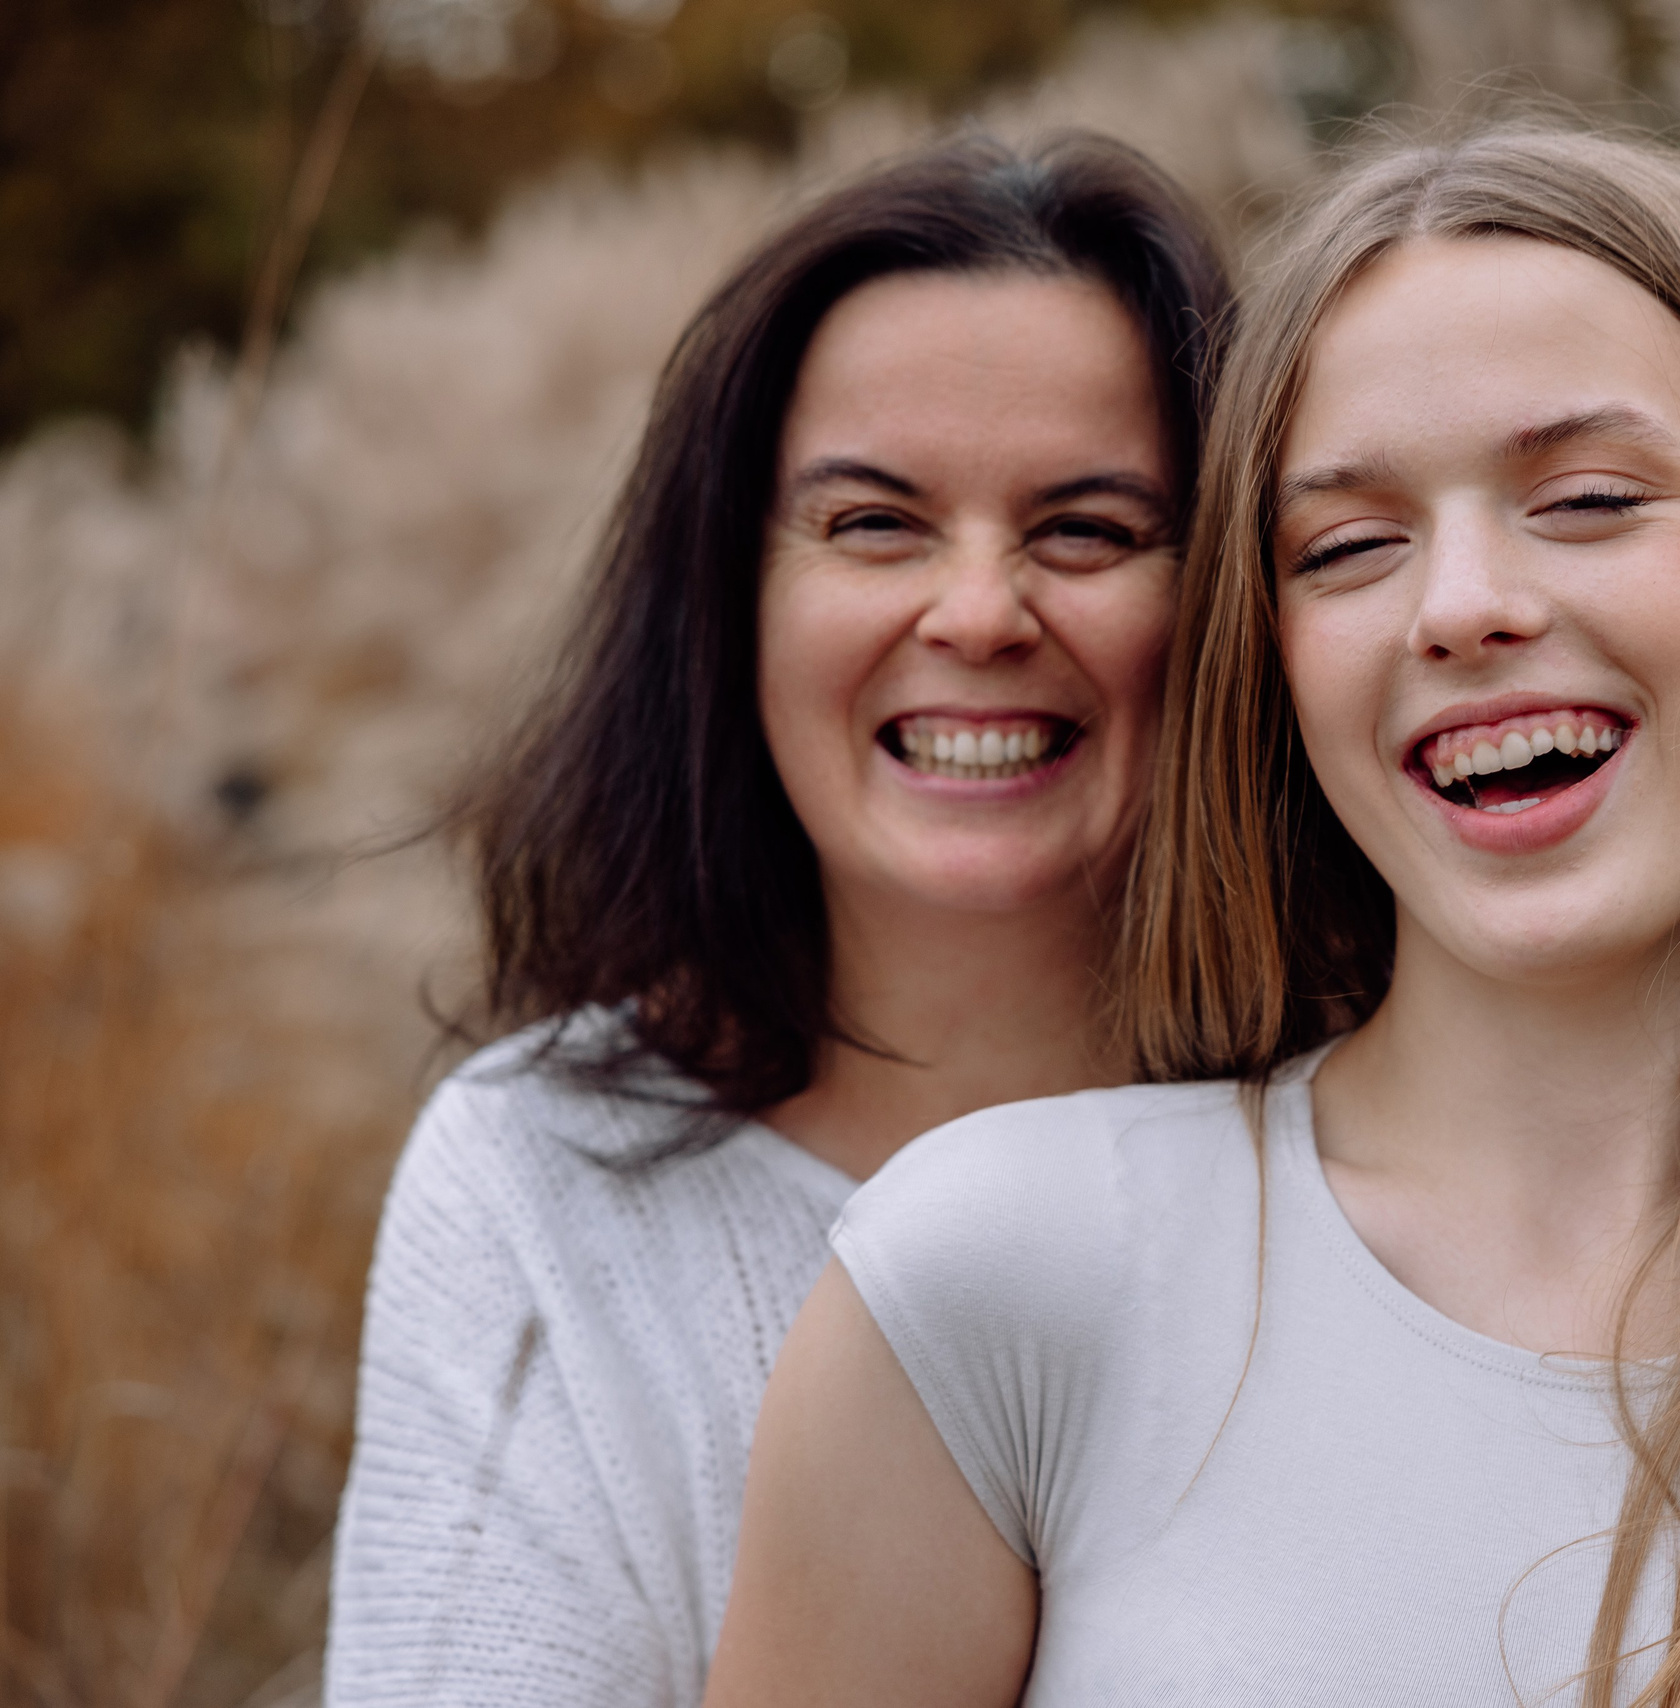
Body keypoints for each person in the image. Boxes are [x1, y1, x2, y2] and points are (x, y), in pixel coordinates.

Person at [707, 128, 1680, 1708]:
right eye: (1348, 545)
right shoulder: (997, 1277)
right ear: (1271, 667)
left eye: (1593, 499)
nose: (1464, 601)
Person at [325, 133, 1231, 1708]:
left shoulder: (1387, 1145)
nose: (975, 612)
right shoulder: (541, 1187)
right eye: (874, 523)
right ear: (730, 600)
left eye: (1086, 530)